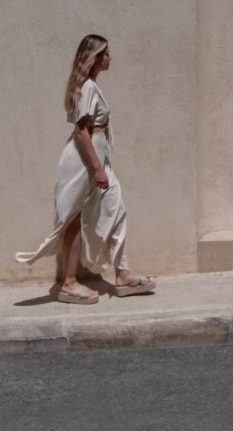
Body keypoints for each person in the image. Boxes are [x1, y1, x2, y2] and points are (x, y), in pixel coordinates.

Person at [15, 33, 156, 302]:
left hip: (96, 157)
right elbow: (81, 132)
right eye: (105, 54)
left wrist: (101, 165)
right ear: (93, 58)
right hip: (83, 160)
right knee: (74, 219)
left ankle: (123, 275)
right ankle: (68, 283)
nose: (110, 58)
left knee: (117, 209)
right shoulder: (88, 87)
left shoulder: (90, 85)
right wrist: (96, 169)